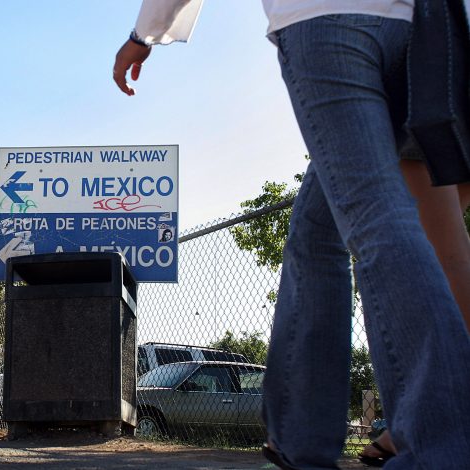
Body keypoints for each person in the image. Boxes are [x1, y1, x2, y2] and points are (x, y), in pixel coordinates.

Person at [113, 2, 470, 468]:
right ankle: (300, 442)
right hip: (419, 26)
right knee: (316, 236)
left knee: (379, 220)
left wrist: (145, 35)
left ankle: (443, 444)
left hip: (326, 23)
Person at [358, 154, 470, 466]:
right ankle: (421, 419)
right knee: (446, 244)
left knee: (444, 250)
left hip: (425, 114)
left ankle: (424, 422)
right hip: (449, 114)